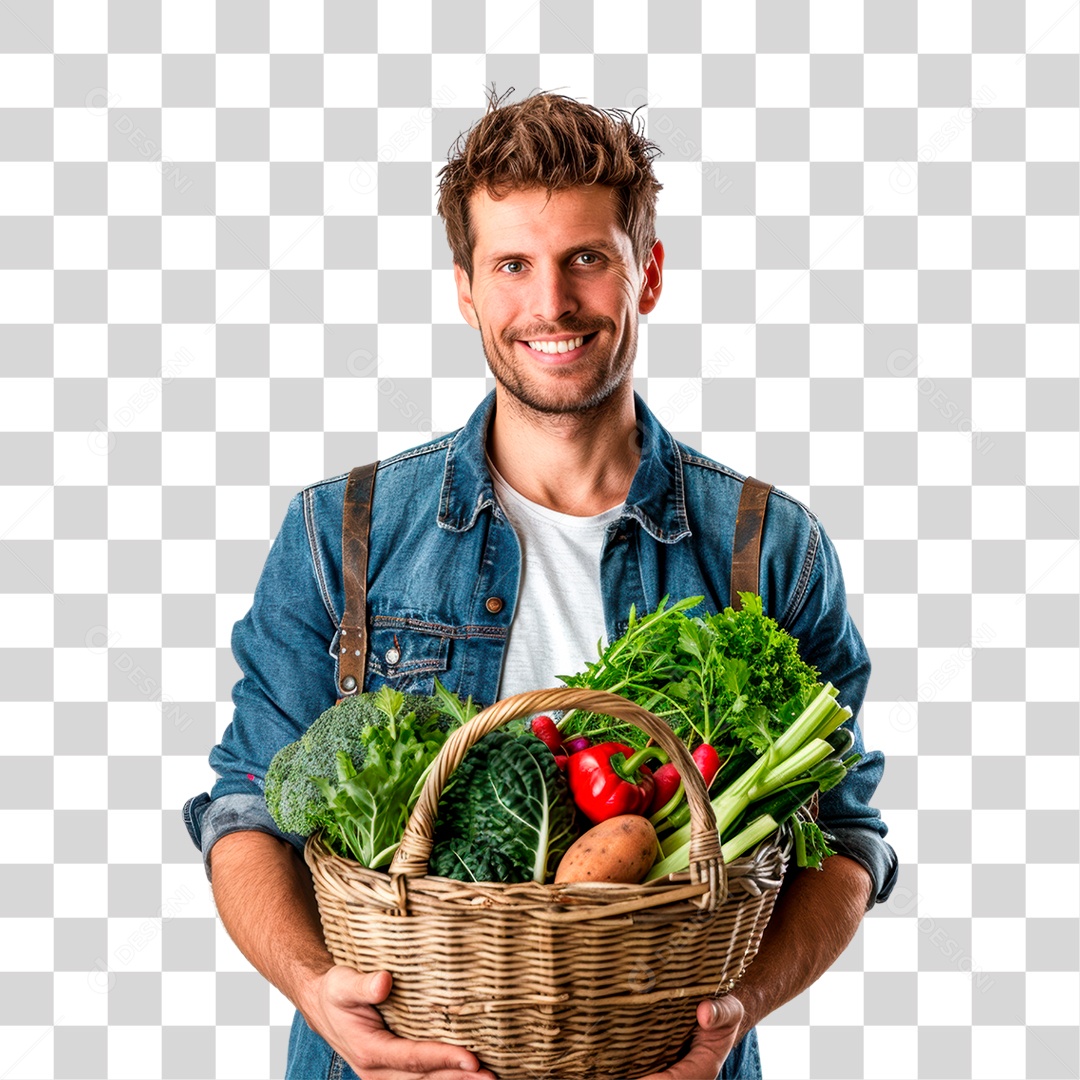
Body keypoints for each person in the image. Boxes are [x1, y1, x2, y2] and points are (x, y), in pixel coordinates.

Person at [184, 89, 897, 1080]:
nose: (552, 305)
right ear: (467, 288)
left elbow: (847, 840)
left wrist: (739, 1008)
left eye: (586, 260)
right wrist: (315, 987)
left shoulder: (768, 548)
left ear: (645, 275)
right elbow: (247, 810)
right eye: (514, 264)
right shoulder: (340, 533)